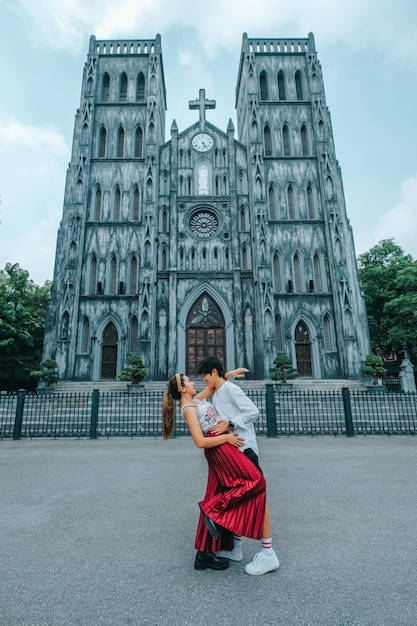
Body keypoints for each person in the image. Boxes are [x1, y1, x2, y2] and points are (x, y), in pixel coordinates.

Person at [162, 370, 271, 574]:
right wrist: (227, 438)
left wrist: (224, 374)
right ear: (183, 388)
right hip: (219, 447)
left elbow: (212, 386)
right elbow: (200, 441)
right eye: (189, 381)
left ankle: (204, 553)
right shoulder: (188, 408)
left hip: (223, 445)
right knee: (256, 480)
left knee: (218, 490)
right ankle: (212, 510)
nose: (195, 382)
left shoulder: (196, 400)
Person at [197, 356, 279, 576]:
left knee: (258, 497)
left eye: (205, 378)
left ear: (213, 373)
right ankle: (235, 547)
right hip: (233, 453)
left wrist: (230, 424)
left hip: (246, 451)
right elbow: (197, 399)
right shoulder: (217, 392)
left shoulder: (231, 390)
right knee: (237, 497)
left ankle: (268, 553)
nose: (204, 383)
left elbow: (253, 412)